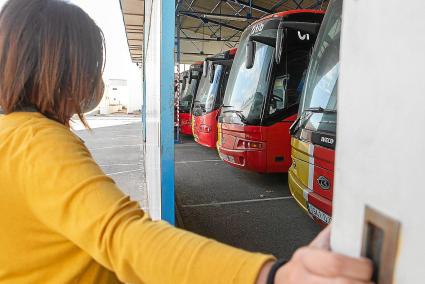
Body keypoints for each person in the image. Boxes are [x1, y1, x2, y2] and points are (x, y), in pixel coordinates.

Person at [0, 0, 373, 283]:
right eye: (93, 64)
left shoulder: (15, 137)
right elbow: (126, 237)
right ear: (66, 69)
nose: (97, 78)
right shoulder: (37, 142)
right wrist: (272, 276)